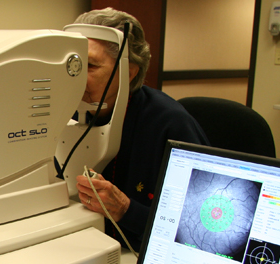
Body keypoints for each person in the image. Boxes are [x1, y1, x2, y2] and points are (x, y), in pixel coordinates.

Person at [72, 8, 210, 251]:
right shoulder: (65, 115)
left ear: (129, 72)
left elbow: (201, 229)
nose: (76, 76)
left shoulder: (171, 125)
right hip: (83, 246)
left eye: (90, 66)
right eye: (74, 64)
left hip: (140, 257)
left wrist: (127, 210)